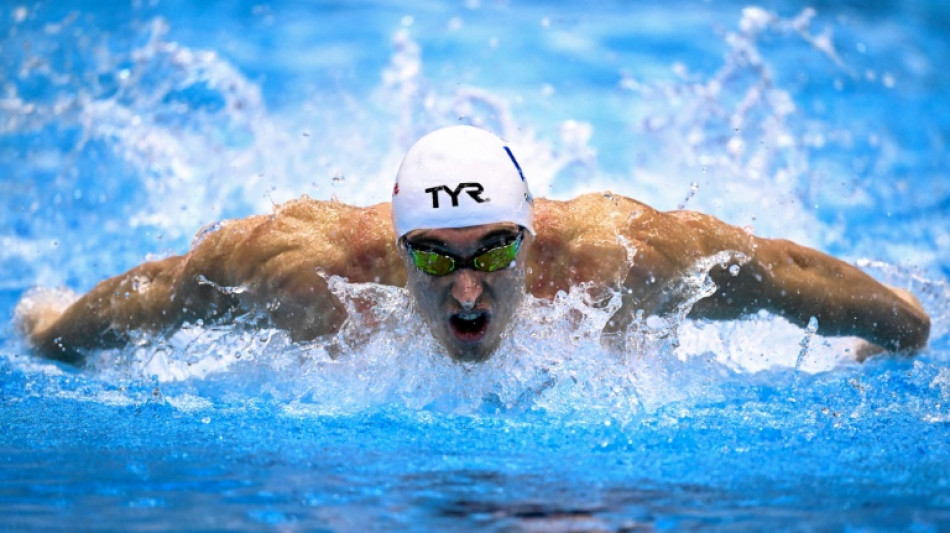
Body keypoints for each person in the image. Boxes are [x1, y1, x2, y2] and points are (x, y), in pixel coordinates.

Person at [14, 126, 931, 365]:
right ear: (395, 245)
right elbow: (168, 289)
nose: (466, 291)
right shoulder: (305, 270)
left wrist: (902, 329)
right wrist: (57, 334)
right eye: (437, 257)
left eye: (494, 253)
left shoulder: (614, 255)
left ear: (533, 241)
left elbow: (777, 271)